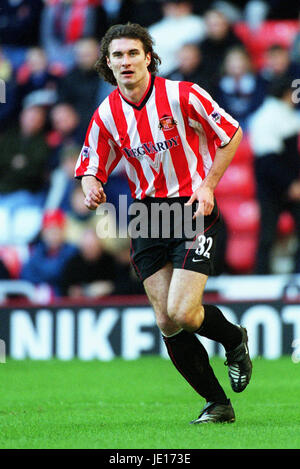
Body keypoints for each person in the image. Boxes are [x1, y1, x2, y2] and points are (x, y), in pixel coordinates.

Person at [75, 23, 252, 424]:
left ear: (149, 57)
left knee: (185, 312)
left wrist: (208, 185)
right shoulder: (106, 114)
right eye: (117, 55)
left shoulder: (183, 94)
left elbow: (231, 133)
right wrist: (91, 187)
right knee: (167, 321)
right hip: (148, 218)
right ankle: (218, 404)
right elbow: (91, 165)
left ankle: (234, 338)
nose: (126, 62)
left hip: (191, 208)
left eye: (133, 53)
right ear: (107, 63)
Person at [248, 76, 300, 274]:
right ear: (287, 94)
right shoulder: (267, 117)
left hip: (288, 184)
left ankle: (296, 272)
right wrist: (290, 184)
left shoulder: (286, 115)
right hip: (272, 187)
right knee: (267, 234)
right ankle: (261, 275)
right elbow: (267, 161)